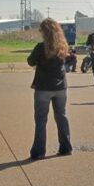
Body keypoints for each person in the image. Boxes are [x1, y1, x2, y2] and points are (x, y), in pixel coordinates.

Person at [26, 17, 72, 160]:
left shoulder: (41, 47)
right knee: (61, 116)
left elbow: (30, 61)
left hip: (43, 87)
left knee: (41, 120)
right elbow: (70, 59)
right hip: (60, 87)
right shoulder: (63, 46)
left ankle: (39, 151)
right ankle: (66, 147)